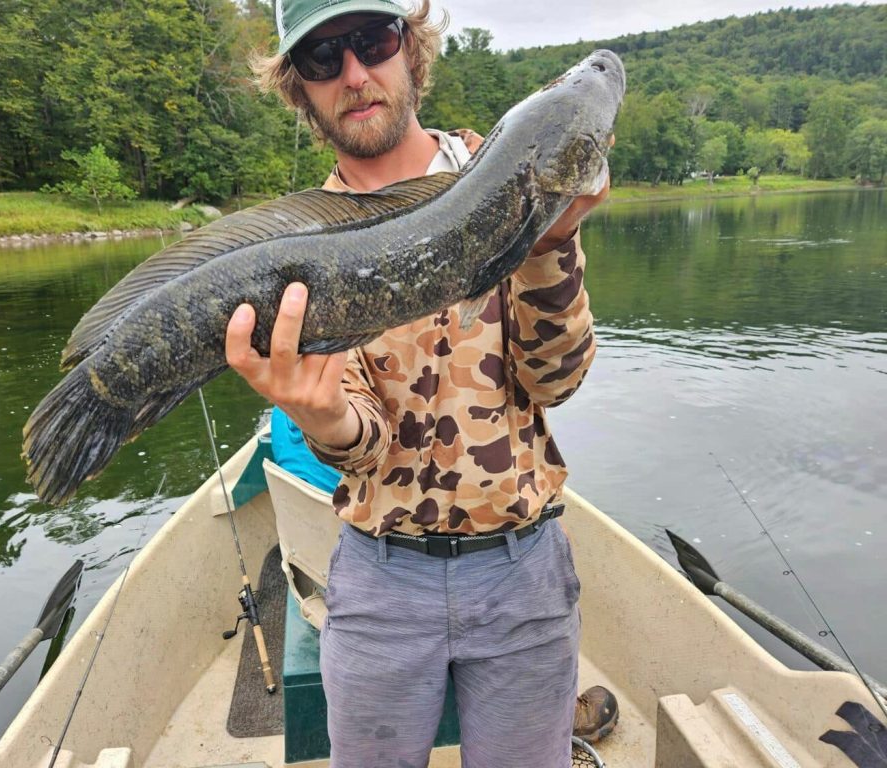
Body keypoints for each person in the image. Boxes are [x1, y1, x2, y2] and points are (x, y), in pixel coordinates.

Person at [226, 1, 618, 765]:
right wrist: (326, 419)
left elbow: (555, 379)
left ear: (411, 48)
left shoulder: (503, 170)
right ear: (297, 86)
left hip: (523, 577)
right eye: (321, 58)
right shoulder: (302, 245)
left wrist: (556, 235)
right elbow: (361, 438)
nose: (354, 73)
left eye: (372, 41)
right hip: (380, 580)